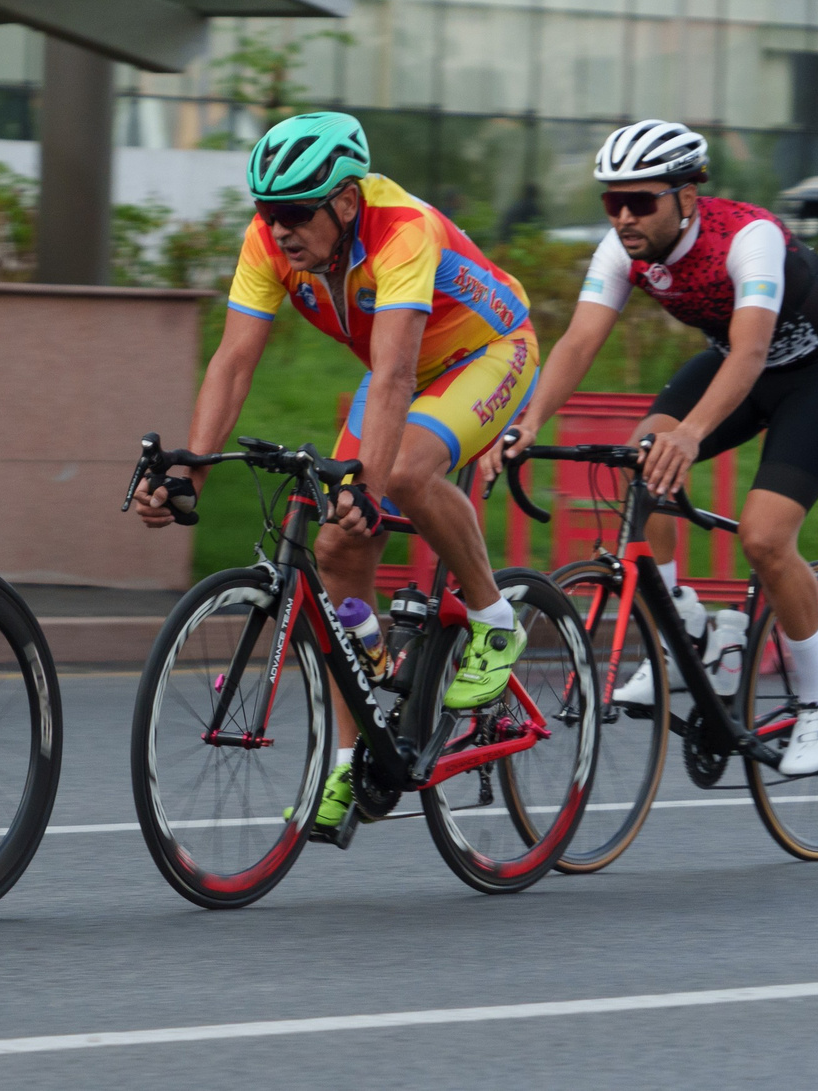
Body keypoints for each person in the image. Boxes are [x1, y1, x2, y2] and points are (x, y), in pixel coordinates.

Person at [132, 111, 541, 832]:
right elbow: (233, 361)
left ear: (346, 201)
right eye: (267, 212)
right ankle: (351, 762)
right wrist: (192, 469)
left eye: (295, 213)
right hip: (401, 371)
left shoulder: (403, 228)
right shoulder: (268, 243)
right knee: (335, 545)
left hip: (486, 352)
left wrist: (367, 481)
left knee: (406, 474)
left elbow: (393, 375)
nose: (280, 229)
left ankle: (494, 618)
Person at [478, 120, 818, 777]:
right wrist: (528, 420)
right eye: (611, 201)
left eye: (640, 201)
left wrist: (690, 432)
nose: (624, 215)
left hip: (815, 377)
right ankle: (693, 630)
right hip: (734, 366)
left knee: (767, 537)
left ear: (687, 197)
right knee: (642, 463)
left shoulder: (750, 238)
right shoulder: (621, 248)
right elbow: (577, 342)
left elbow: (749, 352)